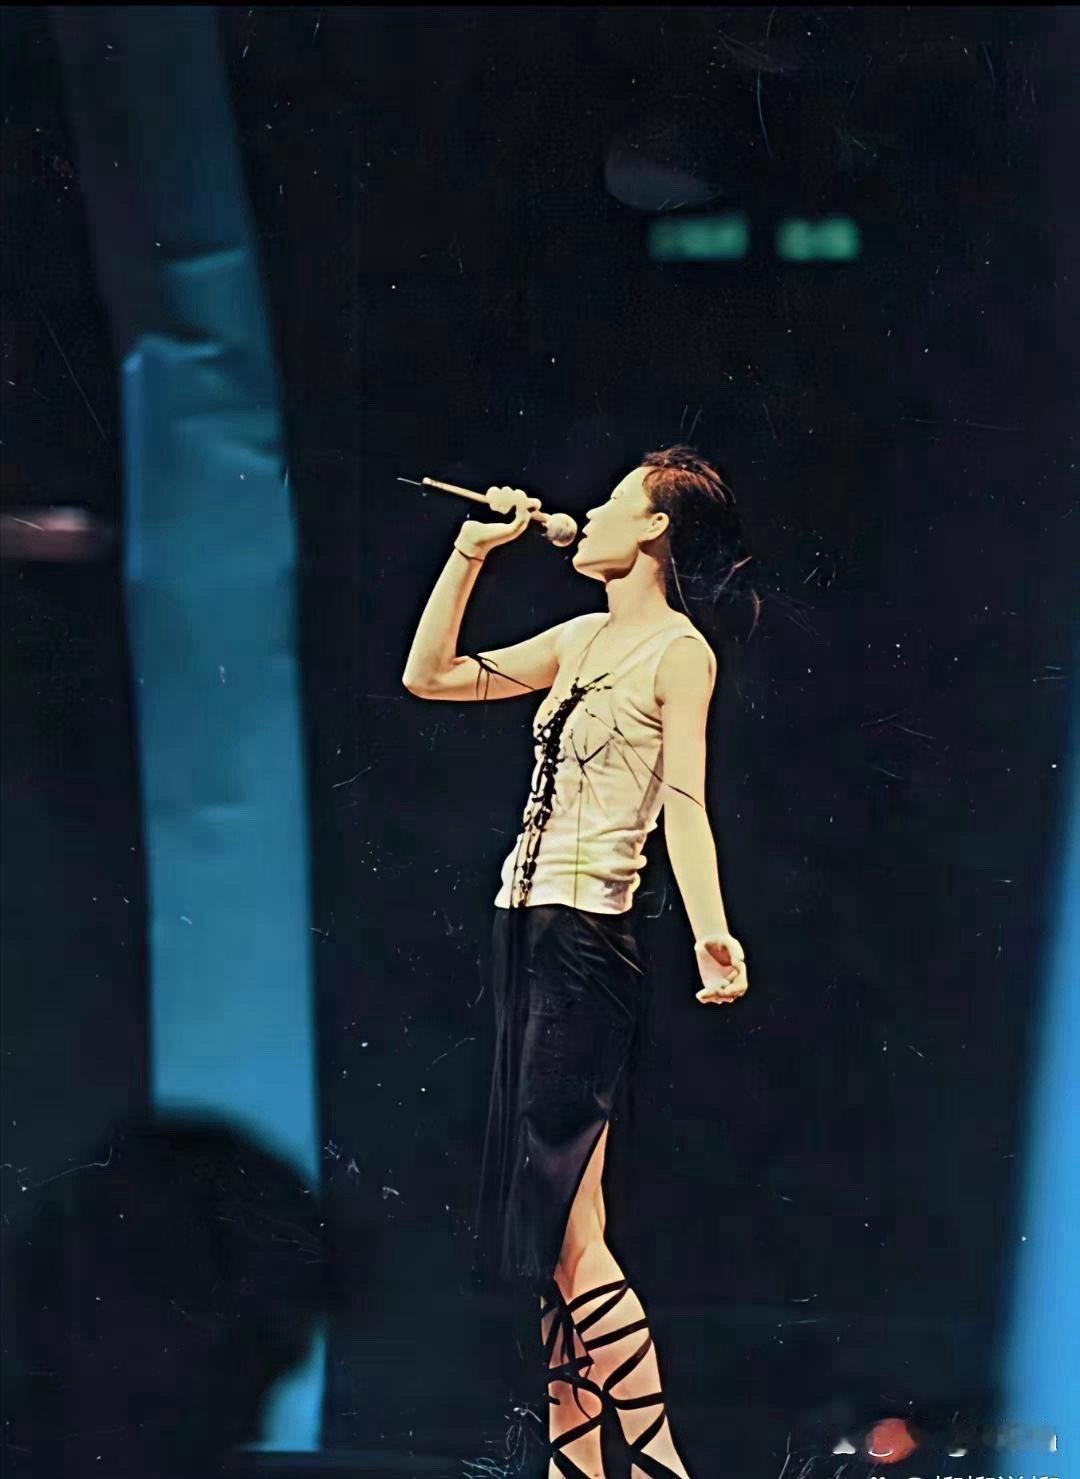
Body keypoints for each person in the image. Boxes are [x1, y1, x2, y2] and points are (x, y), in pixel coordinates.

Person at [402, 445, 752, 1479]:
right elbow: (430, 676)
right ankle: (575, 1461)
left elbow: (683, 803)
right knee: (560, 1226)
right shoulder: (579, 637)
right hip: (521, 928)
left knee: (563, 1233)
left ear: (653, 530)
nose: (587, 516)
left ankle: (654, 1461)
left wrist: (711, 928)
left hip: (584, 938)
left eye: (612, 503)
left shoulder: (678, 654)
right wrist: (472, 553)